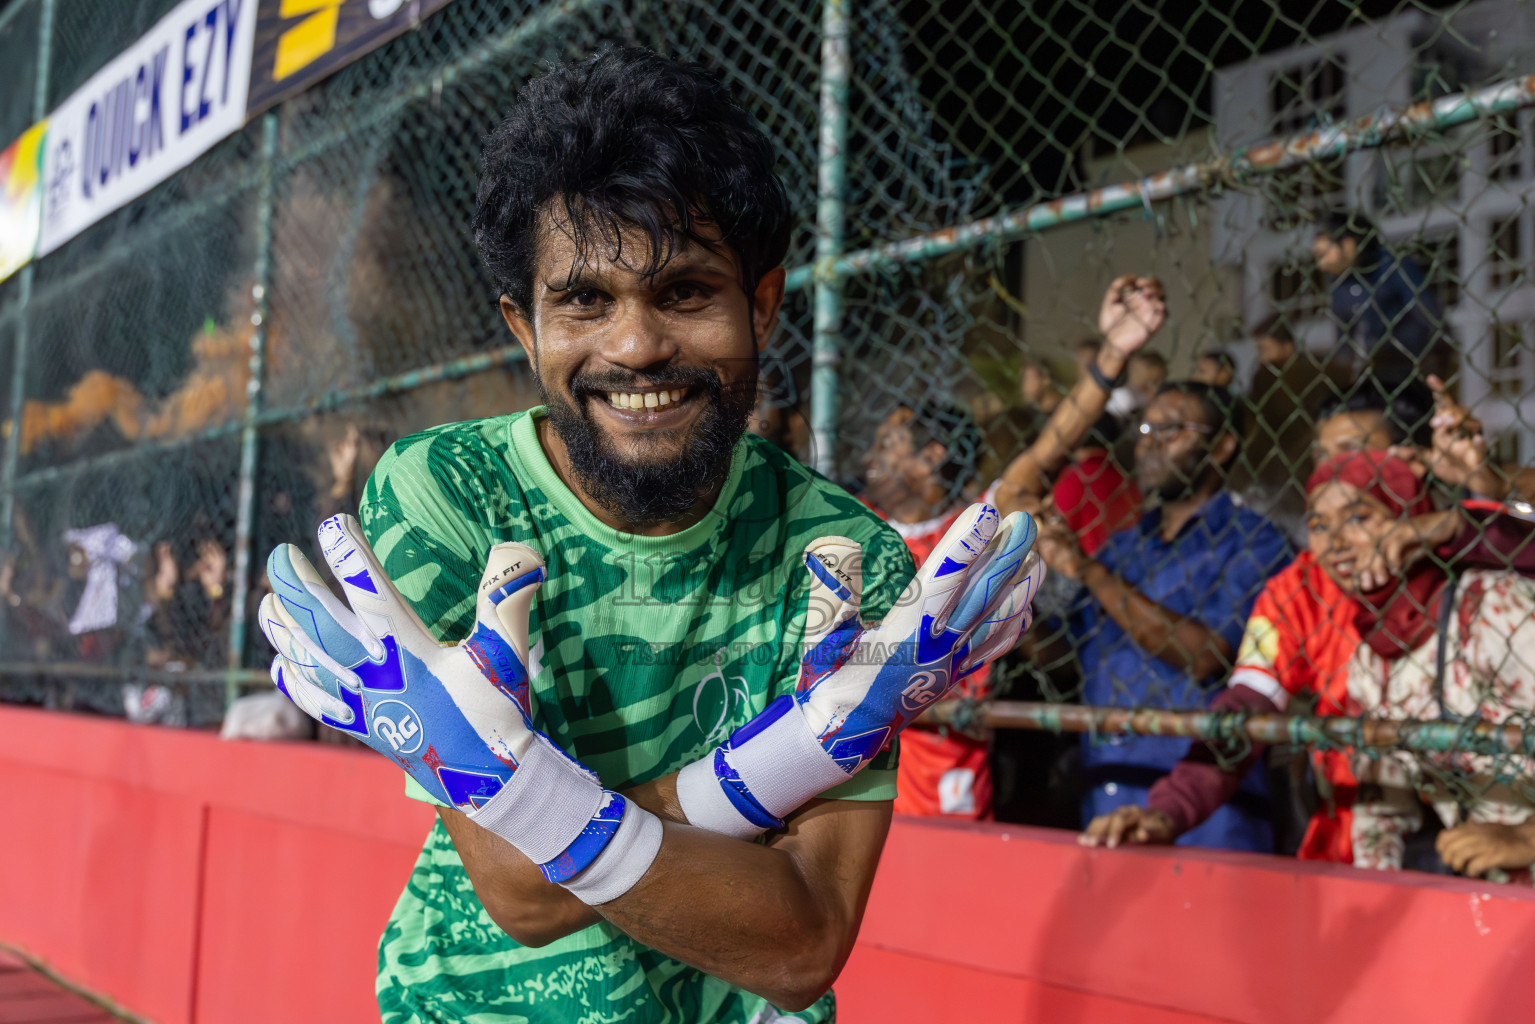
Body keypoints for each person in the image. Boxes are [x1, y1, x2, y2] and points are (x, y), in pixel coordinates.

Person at [258, 49, 1040, 1024]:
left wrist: (519, 784)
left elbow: (798, 949)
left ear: (760, 302)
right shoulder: (449, 493)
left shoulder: (845, 557)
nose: (634, 346)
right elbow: (519, 889)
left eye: (683, 292)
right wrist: (796, 753)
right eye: (584, 300)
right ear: (523, 327)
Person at [1083, 451, 1535, 881]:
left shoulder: (1492, 606)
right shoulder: (1368, 658)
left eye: (1359, 517)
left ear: (1411, 517)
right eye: (1318, 524)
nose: (1335, 542)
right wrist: (1167, 811)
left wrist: (1528, 838)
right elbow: (1249, 708)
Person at [1038, 382, 1293, 852]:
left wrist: (1086, 569)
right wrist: (1007, 601)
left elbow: (1204, 655)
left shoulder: (1256, 545)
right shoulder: (1126, 545)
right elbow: (1066, 654)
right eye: (1145, 427)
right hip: (1107, 786)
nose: (1149, 441)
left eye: (1170, 429)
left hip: (1209, 807)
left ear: (1221, 445)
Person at [860, 401, 999, 818]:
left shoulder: (975, 530)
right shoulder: (862, 525)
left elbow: (1041, 457)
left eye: (887, 443)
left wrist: (1106, 368)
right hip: (868, 750)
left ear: (931, 456)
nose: (870, 457)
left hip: (944, 754)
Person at [1313, 210, 1444, 375]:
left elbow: (1427, 314)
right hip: (1380, 363)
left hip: (1415, 358)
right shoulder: (1341, 283)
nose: (1321, 265)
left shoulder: (1391, 266)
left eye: (1323, 254)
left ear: (1348, 245)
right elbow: (1343, 341)